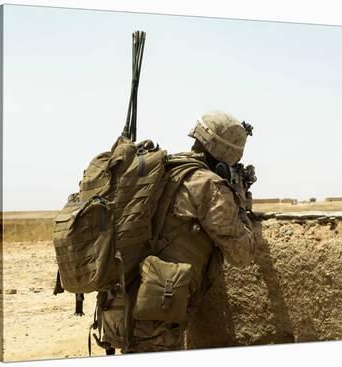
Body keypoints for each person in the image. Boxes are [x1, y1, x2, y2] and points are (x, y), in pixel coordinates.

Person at [97, 110, 258, 353]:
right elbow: (242, 255)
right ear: (228, 155)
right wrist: (240, 204)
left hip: (119, 303)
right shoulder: (207, 185)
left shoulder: (163, 170)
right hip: (155, 319)